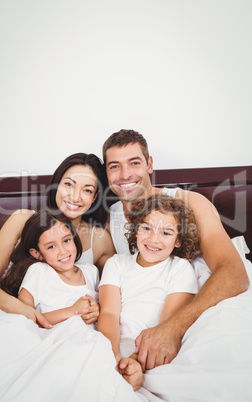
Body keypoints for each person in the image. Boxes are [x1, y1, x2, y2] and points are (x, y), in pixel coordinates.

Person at [102, 129, 249, 371]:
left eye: (134, 163)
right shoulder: (111, 220)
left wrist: (172, 328)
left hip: (207, 300)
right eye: (114, 166)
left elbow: (234, 273)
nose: (125, 174)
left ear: (149, 164)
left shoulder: (190, 203)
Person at [0, 153, 115, 328]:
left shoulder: (100, 240)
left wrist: (99, 308)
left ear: (95, 196)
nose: (75, 197)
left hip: (71, 326)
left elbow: (114, 289)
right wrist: (22, 310)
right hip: (21, 315)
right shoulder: (22, 220)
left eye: (87, 190)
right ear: (56, 185)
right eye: (68, 184)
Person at [98, 194, 200, 390]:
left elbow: (166, 326)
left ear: (178, 240)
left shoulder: (180, 269)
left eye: (166, 233)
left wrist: (135, 361)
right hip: (112, 347)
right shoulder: (116, 264)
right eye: (147, 228)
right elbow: (109, 313)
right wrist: (112, 356)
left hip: (152, 352)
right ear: (136, 230)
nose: (154, 239)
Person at [0, 209, 99, 327]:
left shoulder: (91, 272)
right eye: (51, 246)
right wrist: (73, 311)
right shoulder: (39, 271)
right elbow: (24, 318)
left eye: (66, 240)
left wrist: (97, 310)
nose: (63, 251)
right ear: (37, 254)